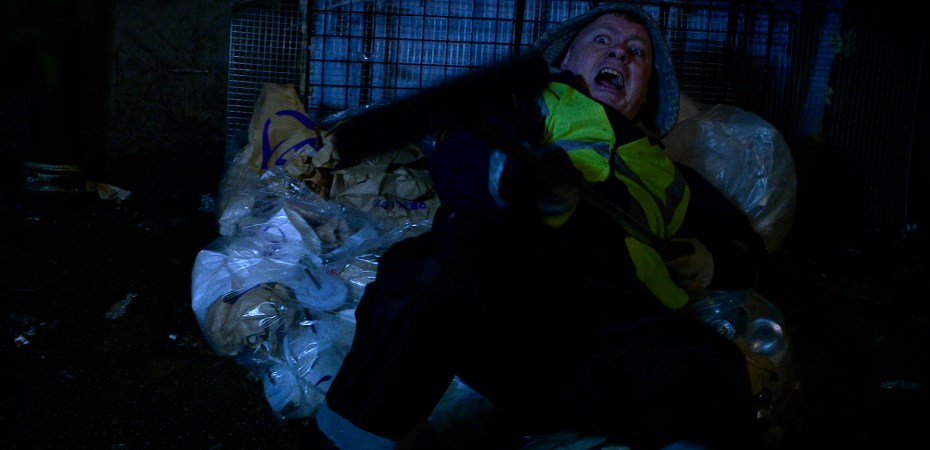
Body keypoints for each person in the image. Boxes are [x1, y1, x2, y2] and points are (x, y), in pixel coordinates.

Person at [303, 3, 768, 449]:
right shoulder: (528, 105)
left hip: (612, 336)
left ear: (647, 91)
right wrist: (519, 182)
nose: (619, 53)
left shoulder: (673, 178)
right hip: (507, 313)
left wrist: (711, 262)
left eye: (637, 51)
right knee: (430, 271)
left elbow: (747, 251)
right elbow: (463, 156)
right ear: (565, 61)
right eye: (602, 40)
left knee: (707, 365)